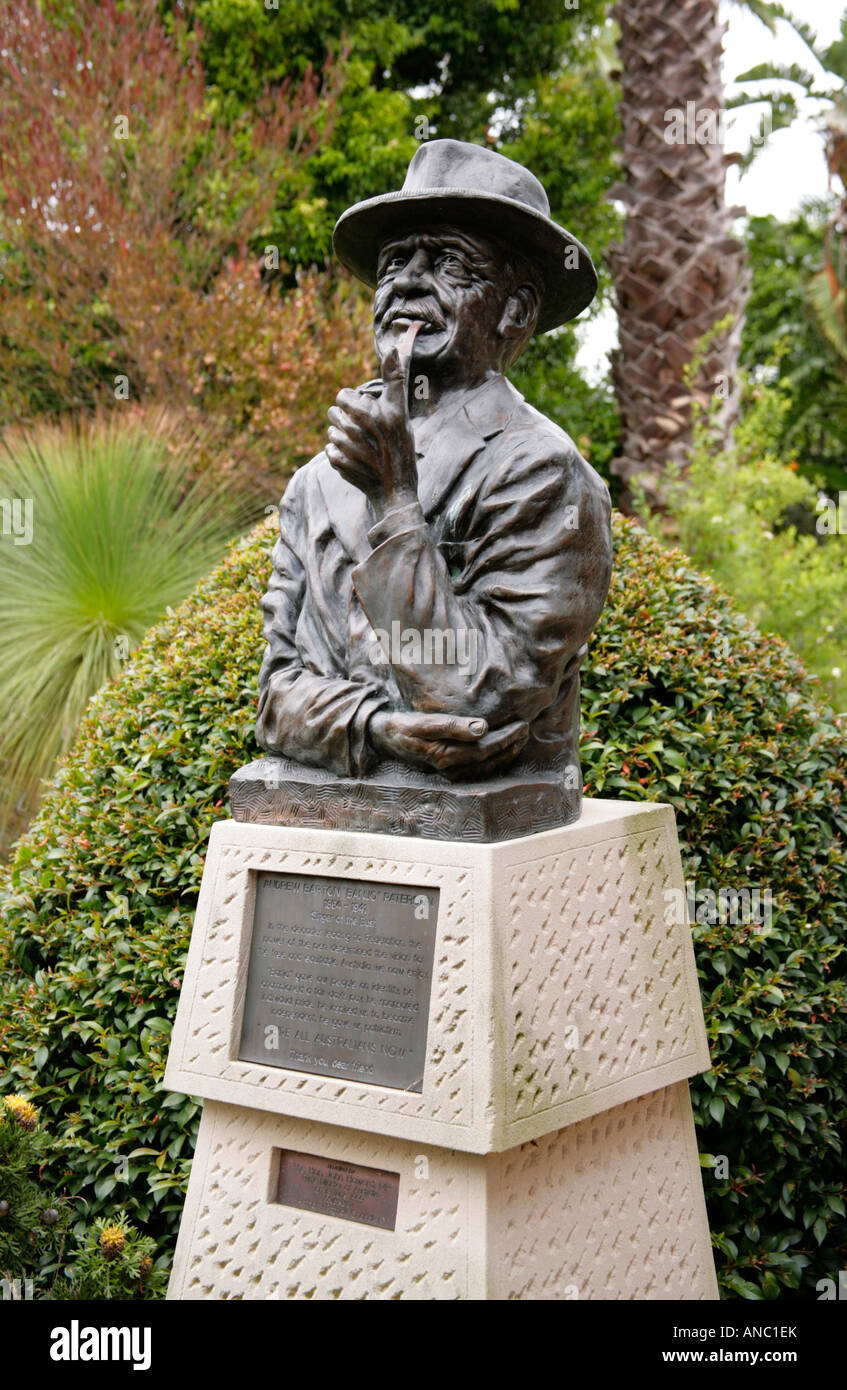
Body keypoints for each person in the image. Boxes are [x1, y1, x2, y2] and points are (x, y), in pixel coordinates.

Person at [255, 139, 613, 791]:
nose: (408, 280)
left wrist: (395, 502)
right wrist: (374, 729)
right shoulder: (315, 482)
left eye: (448, 260)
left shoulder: (544, 472)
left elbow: (476, 697)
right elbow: (274, 699)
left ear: (516, 309)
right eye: (395, 261)